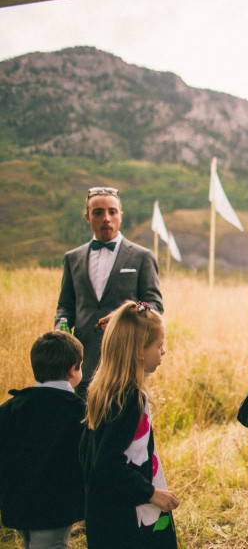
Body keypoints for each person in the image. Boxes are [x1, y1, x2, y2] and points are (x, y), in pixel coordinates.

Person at [80, 301, 179, 549]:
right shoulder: (128, 399)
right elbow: (106, 463)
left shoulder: (105, 391)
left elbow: (89, 456)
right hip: (128, 520)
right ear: (138, 351)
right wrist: (151, 493)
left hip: (108, 512)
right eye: (159, 345)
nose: (163, 352)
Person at [55, 187, 163, 398]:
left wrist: (130, 311)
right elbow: (65, 306)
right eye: (98, 212)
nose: (106, 218)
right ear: (87, 217)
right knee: (83, 426)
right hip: (82, 362)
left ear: (120, 215)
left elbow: (153, 304)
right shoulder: (72, 258)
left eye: (112, 212)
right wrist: (61, 327)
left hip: (127, 362)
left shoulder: (142, 257)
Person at [0, 331, 86, 549]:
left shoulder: (9, 408)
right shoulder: (80, 412)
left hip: (17, 503)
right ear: (73, 370)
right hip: (54, 507)